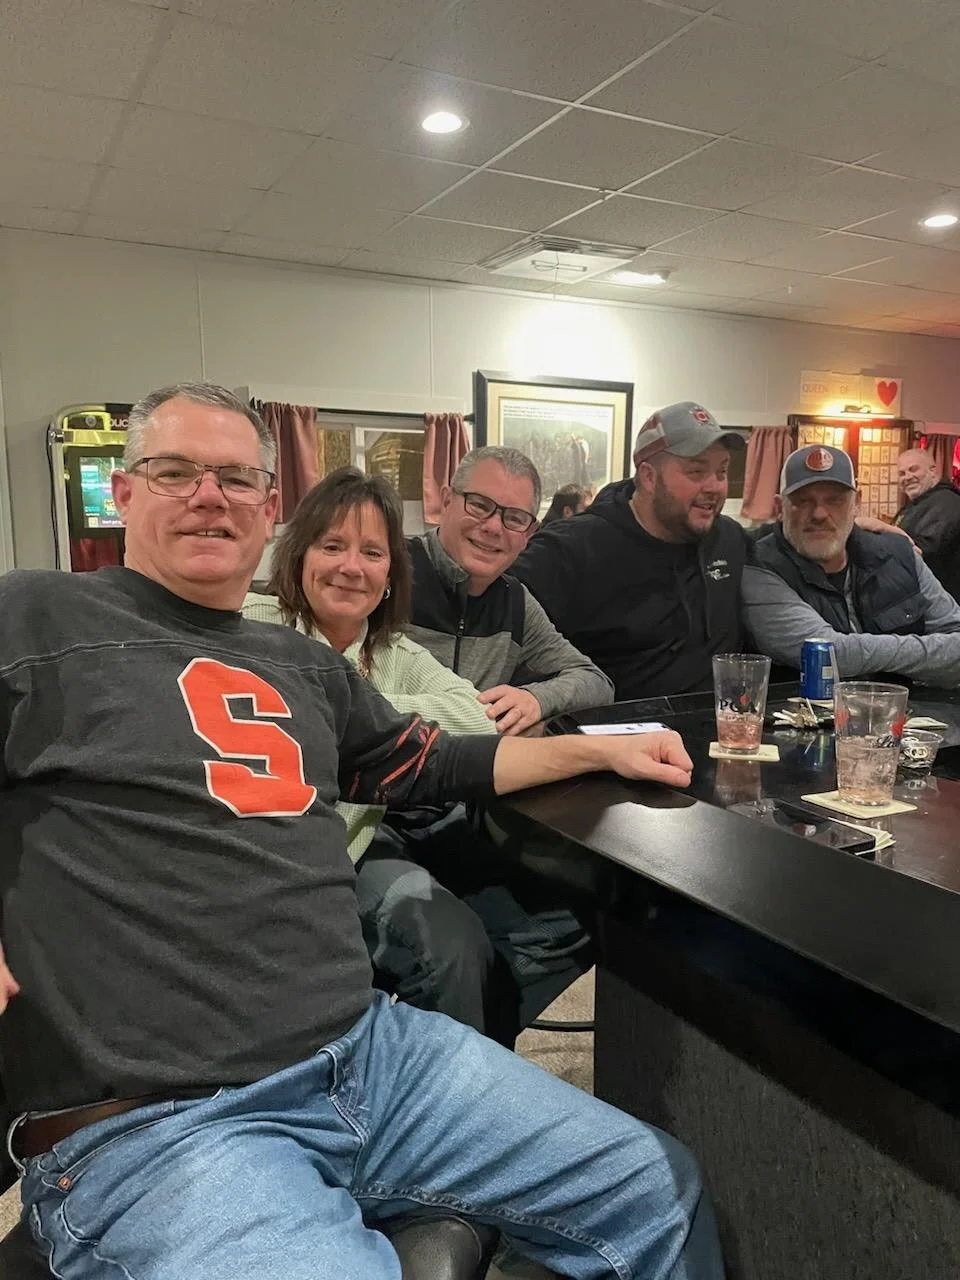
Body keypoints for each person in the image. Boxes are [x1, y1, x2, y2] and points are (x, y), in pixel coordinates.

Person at [1, 382, 724, 1280]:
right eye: (174, 470)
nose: (207, 494)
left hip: (369, 1055)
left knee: (654, 1187)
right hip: (161, 1119)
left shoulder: (303, 662)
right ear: (124, 491)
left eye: (234, 477)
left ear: (270, 507)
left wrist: (597, 755)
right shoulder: (33, 615)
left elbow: (436, 759)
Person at [244, 467, 508, 1036]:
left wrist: (348, 704)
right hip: (251, 866)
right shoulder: (251, 621)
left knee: (456, 940)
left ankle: (448, 1101)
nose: (351, 566)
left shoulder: (392, 652)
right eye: (332, 545)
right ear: (298, 556)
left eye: (372, 552)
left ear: (389, 573)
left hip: (346, 857)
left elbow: (475, 715)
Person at [512, 402, 748, 700]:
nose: (715, 486)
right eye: (697, 471)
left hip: (717, 736)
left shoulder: (729, 540)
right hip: (610, 737)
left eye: (722, 471)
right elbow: (495, 628)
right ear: (649, 477)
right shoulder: (570, 549)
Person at [407, 444, 613, 735]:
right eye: (479, 504)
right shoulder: (389, 572)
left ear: (529, 534)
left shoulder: (515, 603)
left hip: (480, 773)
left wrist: (535, 699)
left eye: (515, 518)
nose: (493, 527)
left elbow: (595, 682)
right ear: (446, 500)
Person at [742, 444, 960, 686]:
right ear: (779, 508)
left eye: (835, 500)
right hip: (804, 719)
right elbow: (824, 652)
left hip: (917, 718)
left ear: (857, 502)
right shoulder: (760, 565)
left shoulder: (899, 553)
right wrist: (932, 656)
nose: (819, 513)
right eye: (803, 501)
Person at [895, 447, 960, 601]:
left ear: (933, 471)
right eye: (902, 473)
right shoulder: (918, 504)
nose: (907, 477)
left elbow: (922, 549)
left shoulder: (947, 502)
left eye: (913, 469)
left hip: (943, 606)